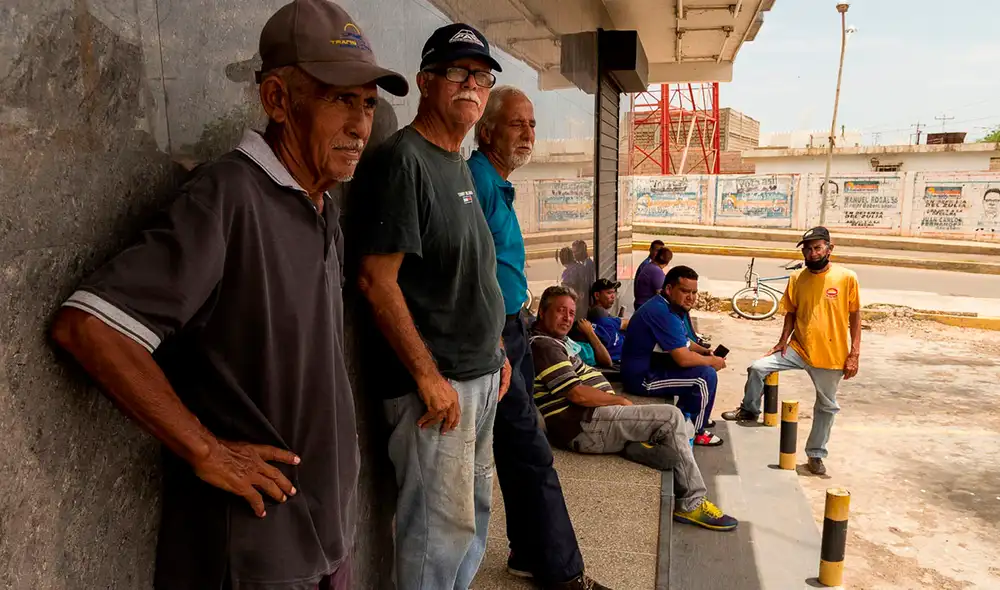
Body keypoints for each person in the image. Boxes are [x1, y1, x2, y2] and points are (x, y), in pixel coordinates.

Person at [48, 2, 408, 588]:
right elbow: (90, 327)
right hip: (255, 555)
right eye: (339, 98)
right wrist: (206, 450)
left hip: (326, 538)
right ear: (276, 100)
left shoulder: (321, 206)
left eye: (367, 103)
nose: (361, 125)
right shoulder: (228, 197)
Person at [350, 23, 513, 590]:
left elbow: (470, 273)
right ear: (424, 82)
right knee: (435, 537)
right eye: (458, 72)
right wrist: (428, 376)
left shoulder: (458, 163)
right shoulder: (405, 162)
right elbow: (377, 281)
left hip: (479, 377)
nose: (473, 85)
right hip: (437, 391)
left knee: (471, 519)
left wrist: (494, 352)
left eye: (483, 76)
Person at [467, 87, 609, 590]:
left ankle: (528, 553)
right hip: (494, 334)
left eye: (531, 124)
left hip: (514, 326)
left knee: (515, 448)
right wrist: (496, 343)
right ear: (487, 132)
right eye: (516, 124)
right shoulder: (477, 182)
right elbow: (465, 272)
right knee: (531, 448)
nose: (528, 133)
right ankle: (563, 573)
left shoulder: (499, 185)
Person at [530, 286, 738, 532]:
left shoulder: (559, 342)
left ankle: (640, 446)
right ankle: (691, 502)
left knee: (677, 425)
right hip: (584, 425)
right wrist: (618, 401)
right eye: (560, 311)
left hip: (595, 420)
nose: (567, 318)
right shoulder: (544, 346)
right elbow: (576, 393)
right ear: (542, 313)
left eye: (571, 312)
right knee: (672, 418)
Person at [722, 227, 861, 476]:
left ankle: (816, 454)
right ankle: (750, 409)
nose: (811, 252)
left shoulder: (846, 277)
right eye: (807, 248)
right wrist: (781, 341)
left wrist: (854, 354)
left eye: (817, 247)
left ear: (830, 248)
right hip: (798, 348)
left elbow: (855, 316)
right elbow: (791, 313)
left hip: (831, 355)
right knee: (758, 367)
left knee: (826, 406)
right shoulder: (797, 278)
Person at [621, 266, 726, 446]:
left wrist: (702, 351)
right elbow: (683, 358)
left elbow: (683, 341)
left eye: (694, 292)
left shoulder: (667, 306)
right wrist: (712, 361)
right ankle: (696, 430)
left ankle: (690, 417)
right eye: (685, 291)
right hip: (641, 378)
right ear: (669, 289)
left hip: (654, 366)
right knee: (705, 376)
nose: (691, 297)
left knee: (701, 367)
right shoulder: (662, 312)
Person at [587, 278, 627, 364]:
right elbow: (626, 323)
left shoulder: (604, 313)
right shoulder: (598, 312)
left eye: (613, 292)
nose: (613, 296)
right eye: (609, 293)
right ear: (597, 295)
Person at [633, 244, 673, 309]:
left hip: (641, 305)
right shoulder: (656, 271)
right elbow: (663, 294)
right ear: (667, 262)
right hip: (646, 306)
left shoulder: (650, 266)